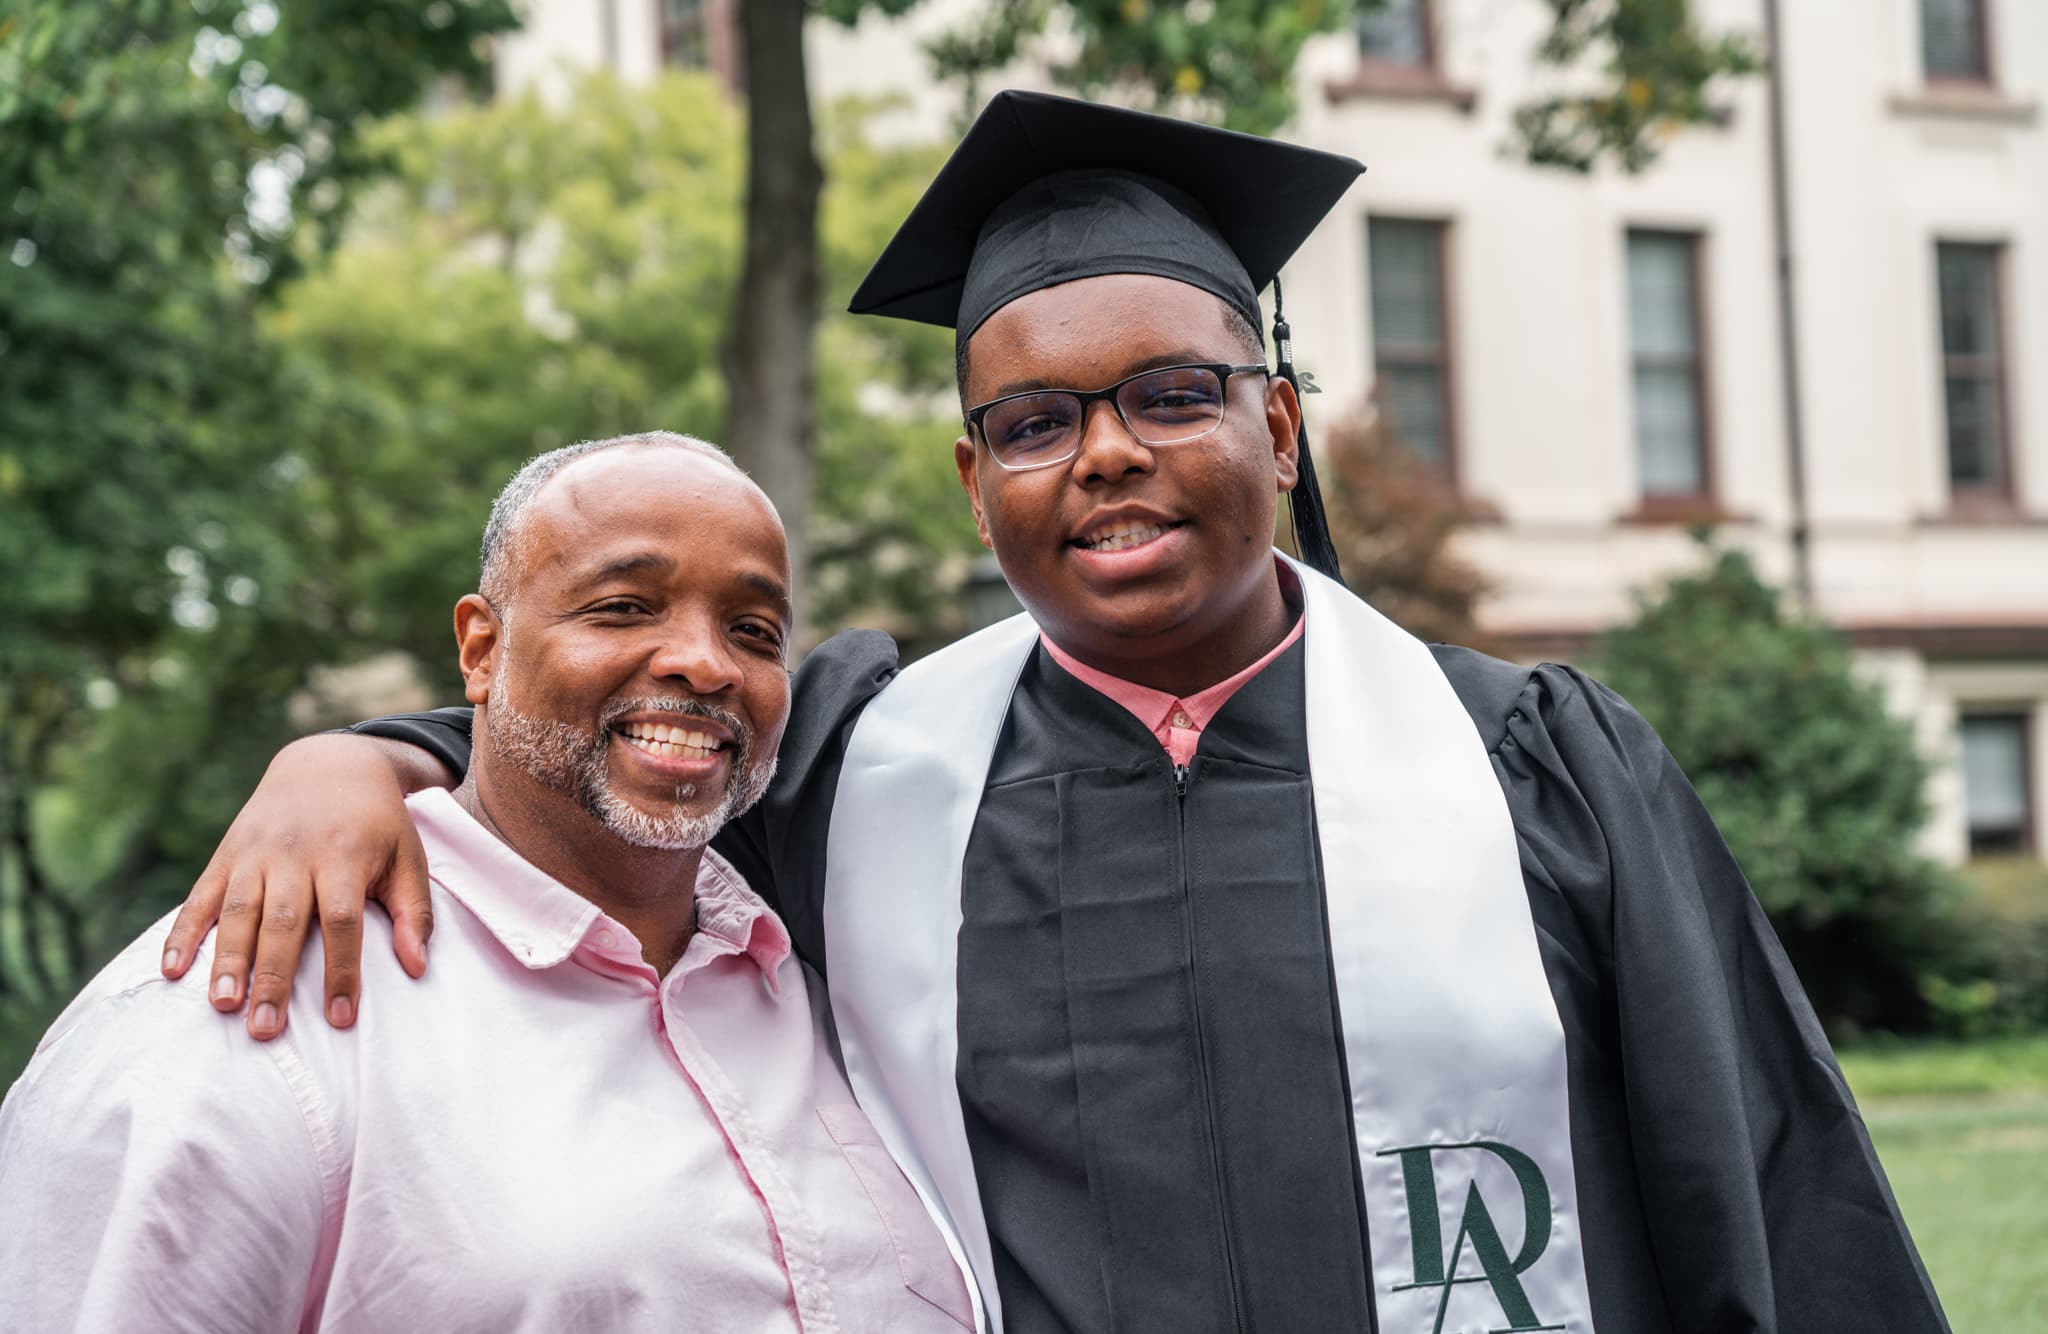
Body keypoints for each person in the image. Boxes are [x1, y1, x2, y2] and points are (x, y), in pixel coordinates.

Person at [161, 93, 1949, 1333]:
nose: (1099, 453)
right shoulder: (867, 765)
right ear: (972, 479)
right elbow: (604, 736)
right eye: (1030, 422)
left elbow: (1767, 1203)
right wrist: (360, 758)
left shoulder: (1537, 770)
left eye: (1169, 393)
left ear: (1275, 427)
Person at [0, 434, 973, 1333]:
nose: (703, 663)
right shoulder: (249, 1013)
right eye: (623, 607)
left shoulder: (825, 972)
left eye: (754, 629)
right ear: (479, 648)